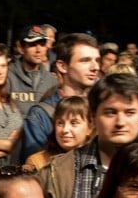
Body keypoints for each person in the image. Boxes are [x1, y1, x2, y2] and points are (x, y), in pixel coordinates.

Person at [21, 34, 101, 163]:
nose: (95, 67)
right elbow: (36, 169)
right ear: (62, 66)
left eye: (97, 60)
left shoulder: (99, 109)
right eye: (85, 60)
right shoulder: (41, 115)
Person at [24, 95, 93, 170]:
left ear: (90, 127)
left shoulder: (101, 160)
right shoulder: (38, 162)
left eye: (73, 123)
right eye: (60, 123)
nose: (65, 130)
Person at [8, 25, 59, 117]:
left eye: (42, 44)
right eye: (33, 45)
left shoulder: (52, 80)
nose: (38, 50)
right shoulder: (7, 76)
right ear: (21, 48)